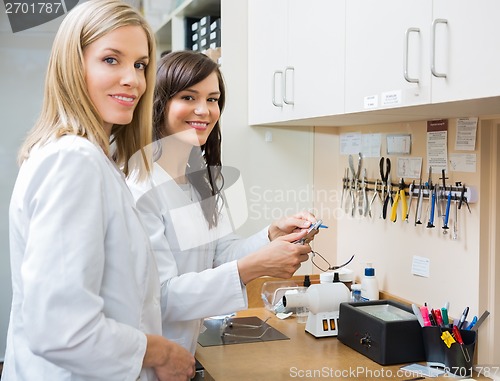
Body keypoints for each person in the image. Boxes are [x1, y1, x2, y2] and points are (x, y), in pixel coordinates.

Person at [4, 1, 195, 380]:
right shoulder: (73, 161)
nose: (133, 80)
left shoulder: (94, 159)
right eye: (111, 60)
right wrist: (160, 352)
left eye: (140, 65)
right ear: (74, 66)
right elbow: (62, 330)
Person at [127, 50, 317, 354]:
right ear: (158, 104)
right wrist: (251, 268)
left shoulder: (199, 182)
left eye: (213, 99)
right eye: (188, 97)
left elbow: (219, 254)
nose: (204, 110)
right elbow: (160, 297)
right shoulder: (140, 188)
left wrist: (271, 236)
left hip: (183, 350)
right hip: (149, 359)